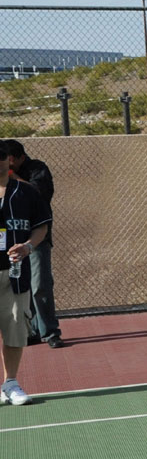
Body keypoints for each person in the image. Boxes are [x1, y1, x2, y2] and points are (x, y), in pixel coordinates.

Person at [0, 142, 53, 407]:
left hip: (14, 273)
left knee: (14, 328)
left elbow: (41, 226)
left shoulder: (26, 192)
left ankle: (10, 383)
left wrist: (28, 246)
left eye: (1, 158)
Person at [5, 140, 62, 348]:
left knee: (40, 285)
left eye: (8, 159)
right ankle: (31, 331)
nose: (6, 163)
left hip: (36, 238)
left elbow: (39, 194)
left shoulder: (37, 168)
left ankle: (50, 332)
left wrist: (12, 176)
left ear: (19, 157)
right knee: (19, 287)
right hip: (11, 240)